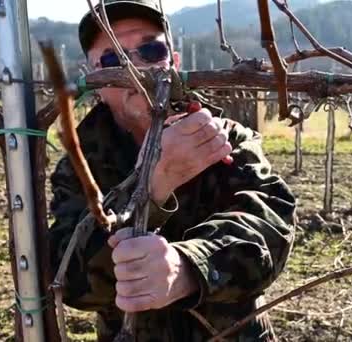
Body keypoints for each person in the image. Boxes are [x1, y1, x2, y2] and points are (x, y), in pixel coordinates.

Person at [47, 0, 297, 340]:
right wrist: (150, 189)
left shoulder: (223, 137)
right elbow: (71, 279)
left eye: (151, 50)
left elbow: (271, 223)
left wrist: (189, 267)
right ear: (96, 82)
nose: (138, 69)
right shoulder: (82, 165)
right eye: (114, 59)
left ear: (174, 62)